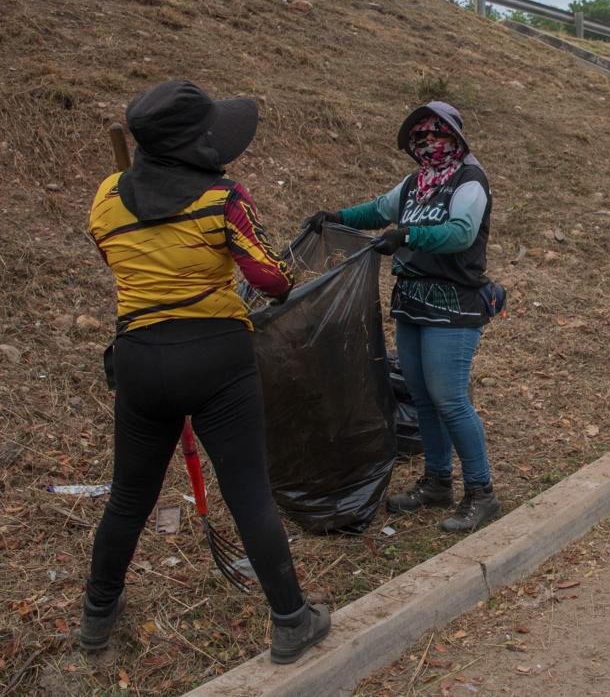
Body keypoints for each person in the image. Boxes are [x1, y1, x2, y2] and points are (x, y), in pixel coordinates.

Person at [82, 80, 329, 663]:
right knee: (247, 492)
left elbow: (113, 257)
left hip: (141, 358)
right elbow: (270, 278)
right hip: (217, 356)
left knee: (128, 498)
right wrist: (280, 274)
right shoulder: (224, 197)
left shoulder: (107, 197)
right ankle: (292, 621)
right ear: (196, 144)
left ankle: (96, 617)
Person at [304, 101, 502, 533]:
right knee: (421, 396)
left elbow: (461, 233)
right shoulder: (416, 183)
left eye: (438, 135)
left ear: (456, 138)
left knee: (449, 398)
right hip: (411, 301)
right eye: (422, 138)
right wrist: (336, 217)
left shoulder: (471, 181)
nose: (430, 144)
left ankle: (481, 491)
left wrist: (409, 234)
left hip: (454, 306)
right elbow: (379, 210)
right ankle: (436, 482)